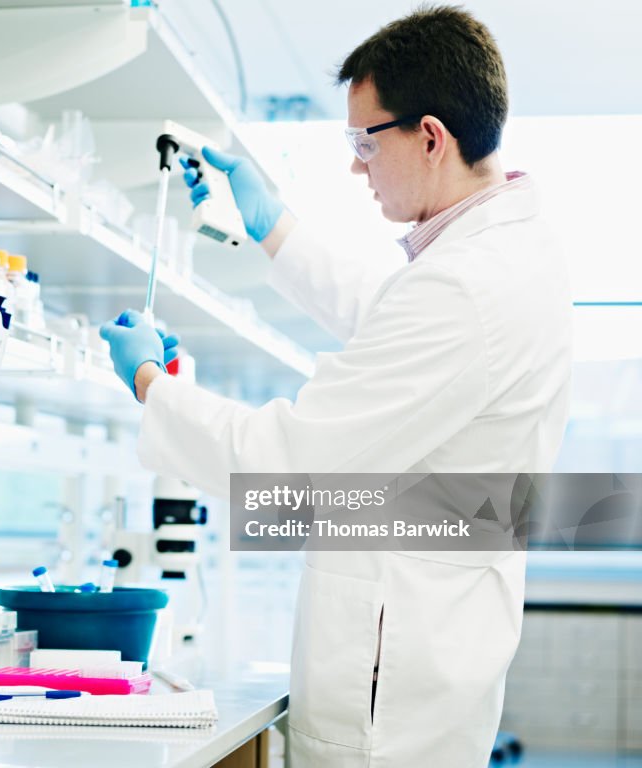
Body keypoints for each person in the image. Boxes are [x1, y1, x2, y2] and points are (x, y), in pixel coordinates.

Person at [99, 6, 572, 767]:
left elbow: (290, 464)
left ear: (428, 137)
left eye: (364, 141)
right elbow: (387, 315)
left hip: (396, 678)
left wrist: (152, 384)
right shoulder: (497, 255)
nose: (358, 164)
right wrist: (273, 227)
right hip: (427, 638)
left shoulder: (468, 286)